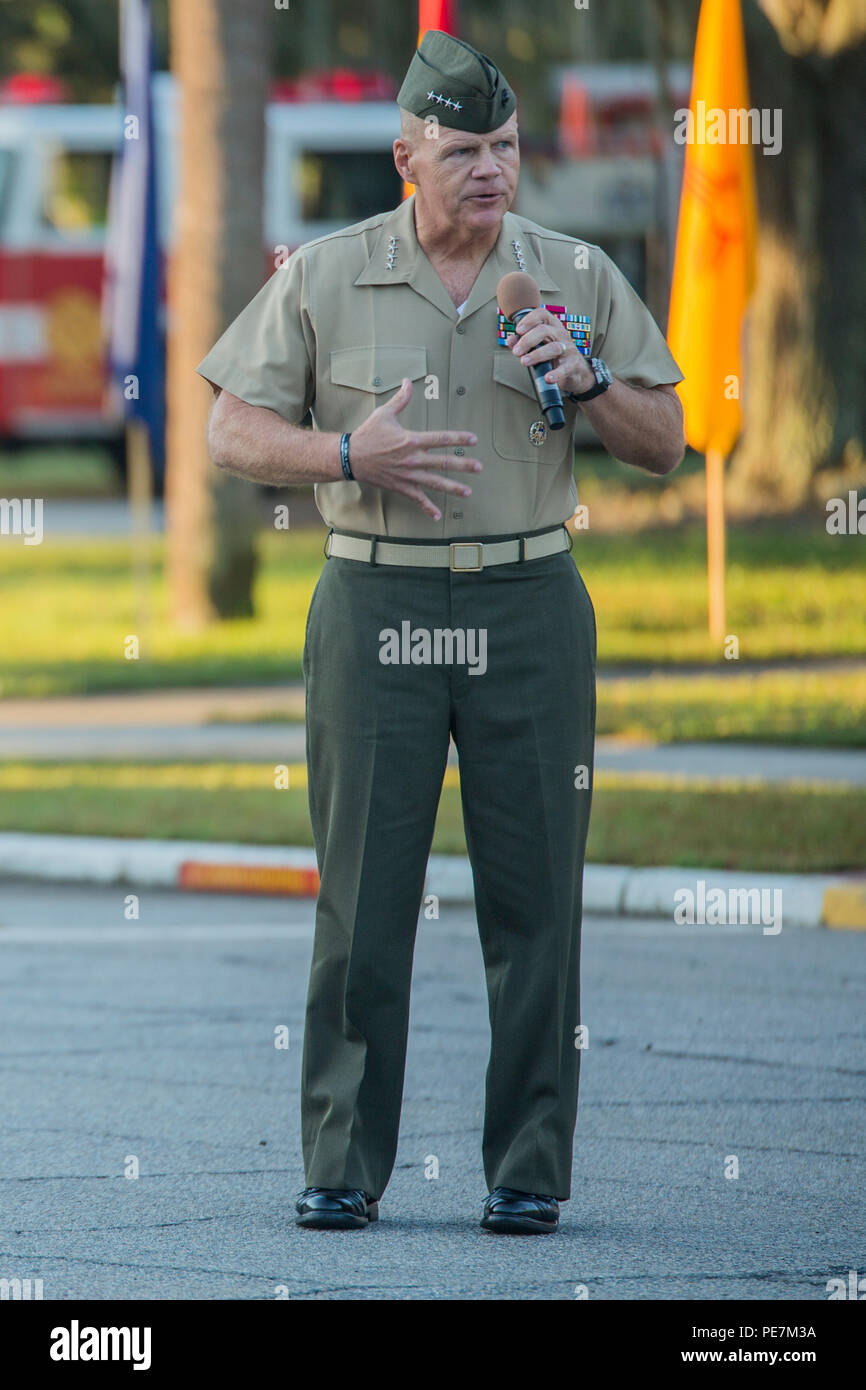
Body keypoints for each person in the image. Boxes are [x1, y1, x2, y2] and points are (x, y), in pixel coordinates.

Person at [197, 30, 684, 1235]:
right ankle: (342, 1162)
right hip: (376, 601)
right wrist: (347, 452)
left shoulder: (568, 273)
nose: (491, 169)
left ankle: (525, 1166)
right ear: (406, 155)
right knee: (362, 894)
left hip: (529, 603)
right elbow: (228, 431)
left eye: (506, 148)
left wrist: (581, 376)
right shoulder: (324, 273)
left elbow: (664, 442)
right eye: (464, 149)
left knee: (536, 901)